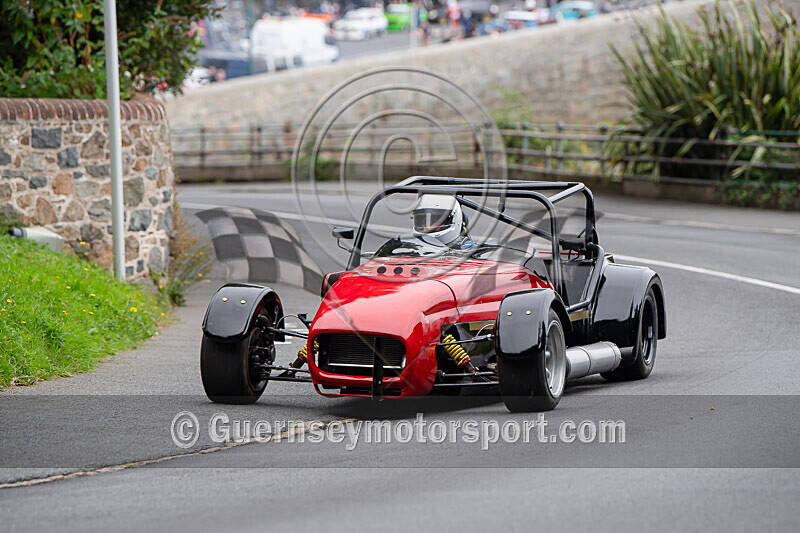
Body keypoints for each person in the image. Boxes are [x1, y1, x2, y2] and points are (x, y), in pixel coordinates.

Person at [410, 194, 476, 249]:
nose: (426, 228)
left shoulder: (469, 249)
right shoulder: (412, 246)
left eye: (434, 222)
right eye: (423, 222)